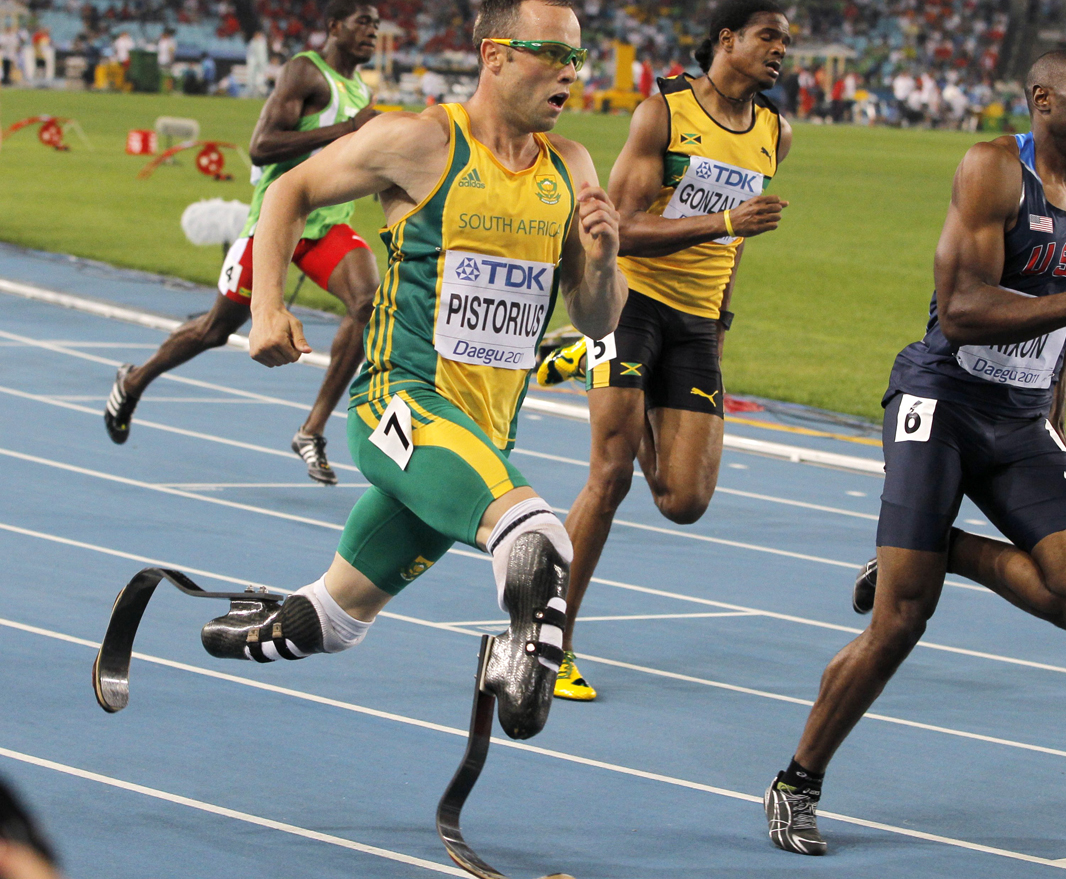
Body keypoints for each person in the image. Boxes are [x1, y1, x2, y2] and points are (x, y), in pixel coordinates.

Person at [764, 48, 1066, 856]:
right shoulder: (990, 169)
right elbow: (963, 309)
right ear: (1043, 99)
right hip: (939, 400)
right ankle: (798, 780)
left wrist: (1058, 415)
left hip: (1020, 420)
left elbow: (1064, 326)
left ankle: (938, 549)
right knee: (900, 620)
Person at [197, 0, 625, 741]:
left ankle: (249, 626)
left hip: (483, 435)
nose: (569, 75)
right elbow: (288, 190)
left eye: (576, 59)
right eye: (551, 55)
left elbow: (595, 319)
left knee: (332, 618)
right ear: (494, 55)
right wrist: (267, 305)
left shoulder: (573, 166)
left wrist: (605, 260)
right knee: (538, 540)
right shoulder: (422, 141)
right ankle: (515, 661)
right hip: (400, 405)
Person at [534, 0, 792, 701]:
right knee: (611, 475)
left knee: (684, 497)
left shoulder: (775, 132)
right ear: (728, 39)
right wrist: (724, 220)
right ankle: (549, 640)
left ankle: (578, 359)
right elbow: (615, 228)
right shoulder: (665, 114)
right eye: (770, 37)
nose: (782, 51)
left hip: (697, 321)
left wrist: (721, 320)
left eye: (786, 42)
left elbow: (736, 245)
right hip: (631, 301)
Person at [104, 1, 384, 485]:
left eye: (378, 25)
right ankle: (134, 380)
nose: (373, 32)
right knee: (216, 329)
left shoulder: (359, 88)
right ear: (334, 26)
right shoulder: (305, 72)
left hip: (328, 223)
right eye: (364, 22)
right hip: (277, 221)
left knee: (369, 305)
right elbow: (261, 145)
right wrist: (347, 129)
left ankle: (311, 430)